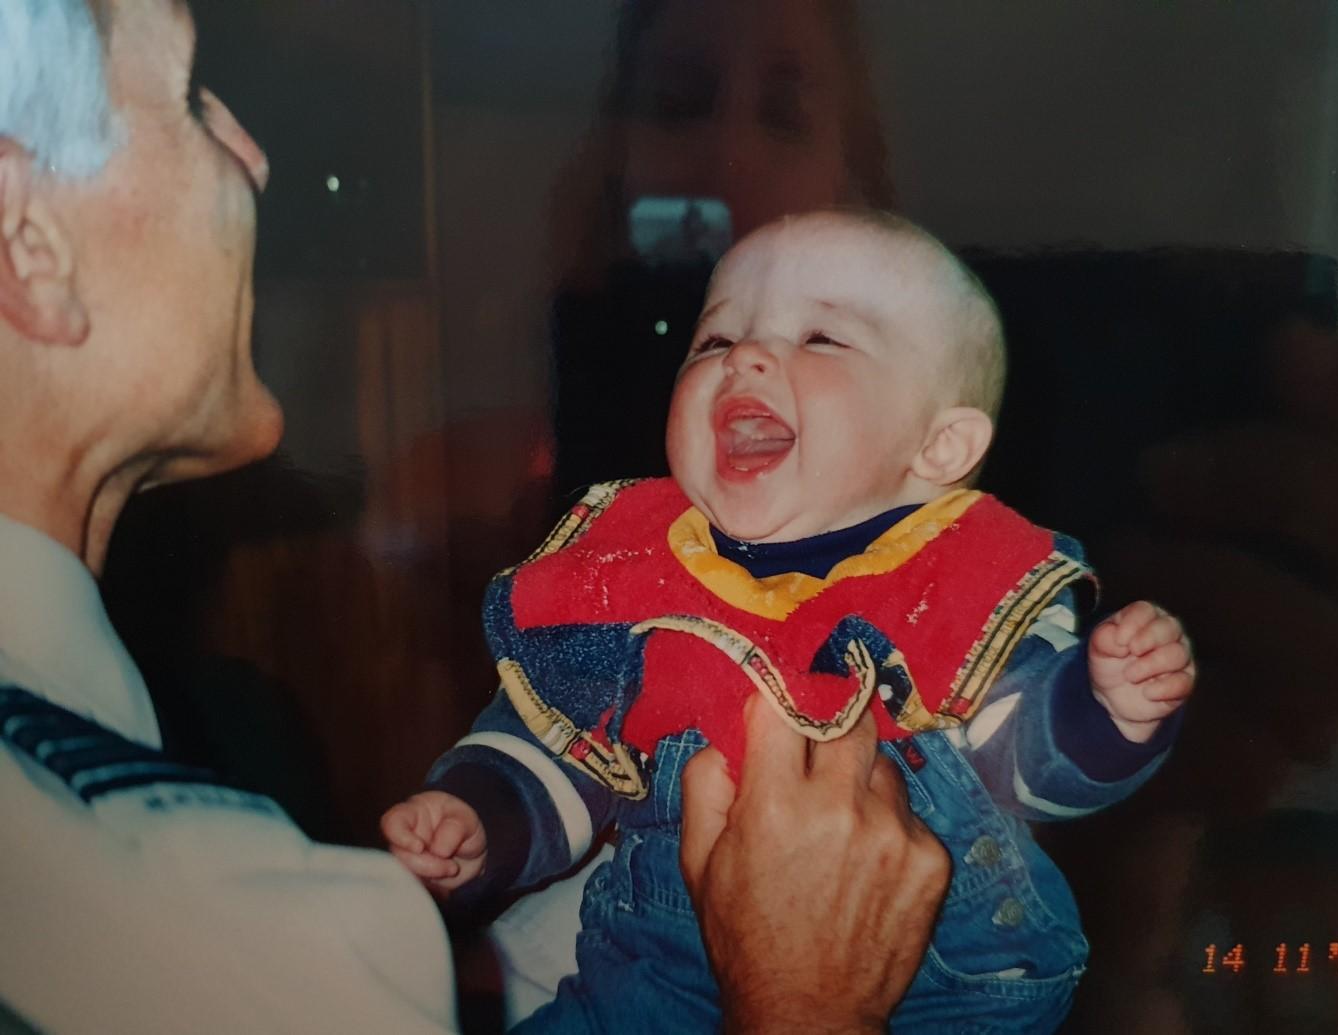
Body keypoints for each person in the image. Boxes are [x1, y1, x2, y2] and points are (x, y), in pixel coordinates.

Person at [0, 2, 950, 1032]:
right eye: (189, 100)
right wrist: (805, 999)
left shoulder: (938, 541)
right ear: (27, 238)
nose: (256, 158)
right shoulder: (248, 930)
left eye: (784, 114)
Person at [383, 210, 1198, 1031]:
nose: (744, 354)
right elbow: (562, 745)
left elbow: (1024, 760)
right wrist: (484, 817)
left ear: (940, 447)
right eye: (712, 340)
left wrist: (1107, 708)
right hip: (645, 975)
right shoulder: (638, 569)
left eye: (822, 339)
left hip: (939, 984)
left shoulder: (965, 572)